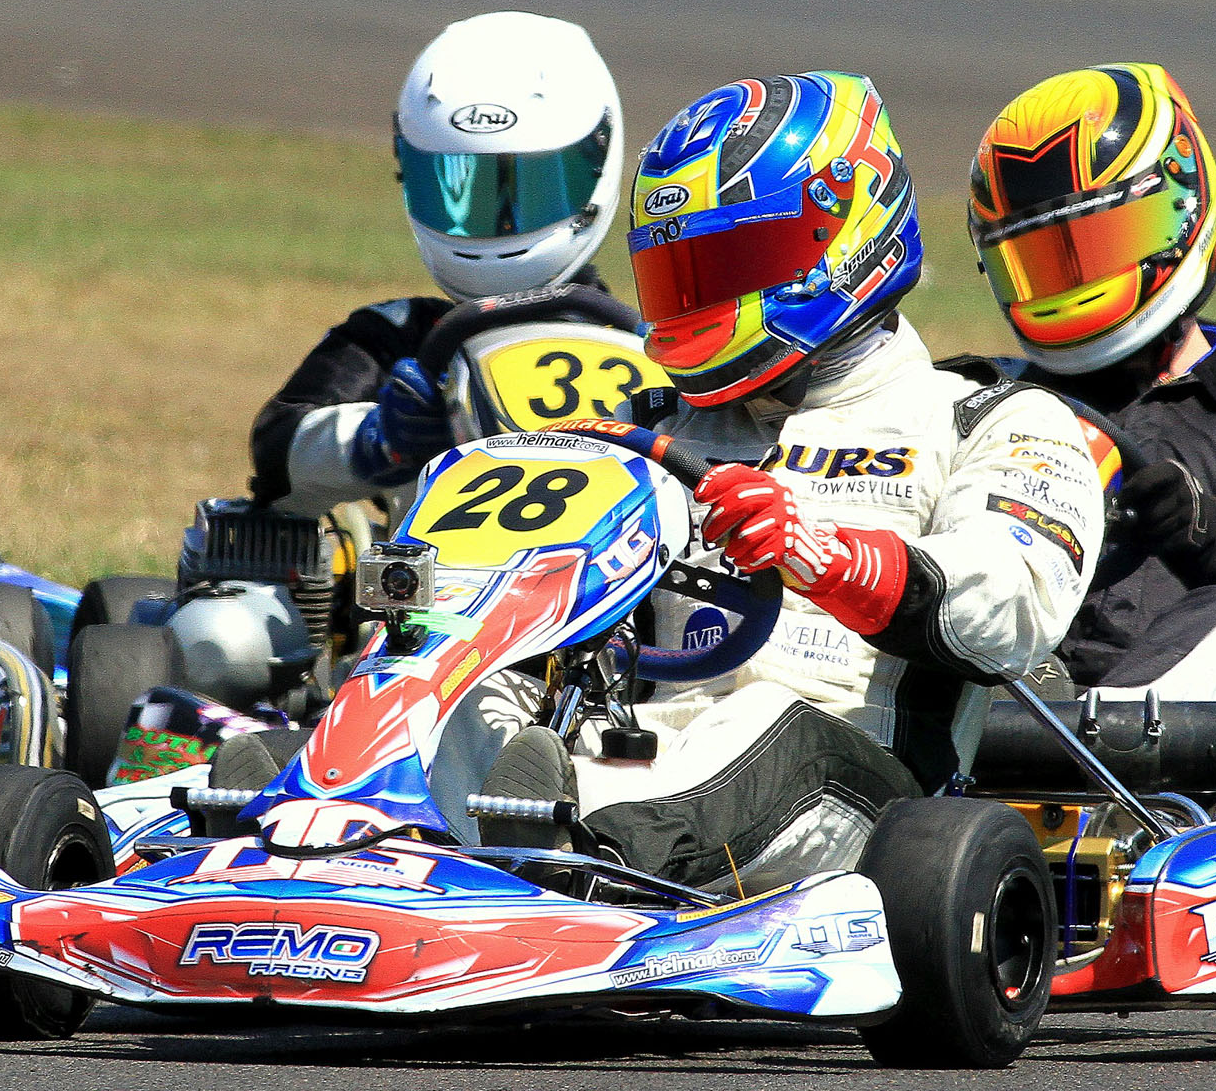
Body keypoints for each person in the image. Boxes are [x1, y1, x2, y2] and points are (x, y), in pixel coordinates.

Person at [468, 72, 1105, 891]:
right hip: (625, 752)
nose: (701, 299)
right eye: (684, 275)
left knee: (761, 716)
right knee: (467, 691)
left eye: (728, 262)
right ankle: (336, 825)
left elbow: (1012, 606)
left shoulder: (991, 418)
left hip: (863, 796)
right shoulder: (651, 427)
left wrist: (825, 551)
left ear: (844, 236)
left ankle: (572, 865)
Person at [957, 62, 1216, 700]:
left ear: (1182, 212)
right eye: (1040, 262)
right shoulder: (985, 399)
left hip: (1172, 741)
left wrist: (1206, 525)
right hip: (996, 693)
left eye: (1098, 246)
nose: (1072, 285)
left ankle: (1099, 777)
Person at [247, 11, 635, 519]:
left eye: (531, 188)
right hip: (423, 589)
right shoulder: (394, 338)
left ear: (597, 164)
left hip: (606, 585)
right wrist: (376, 439)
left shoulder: (652, 349)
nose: (495, 221)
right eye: (461, 190)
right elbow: (276, 450)